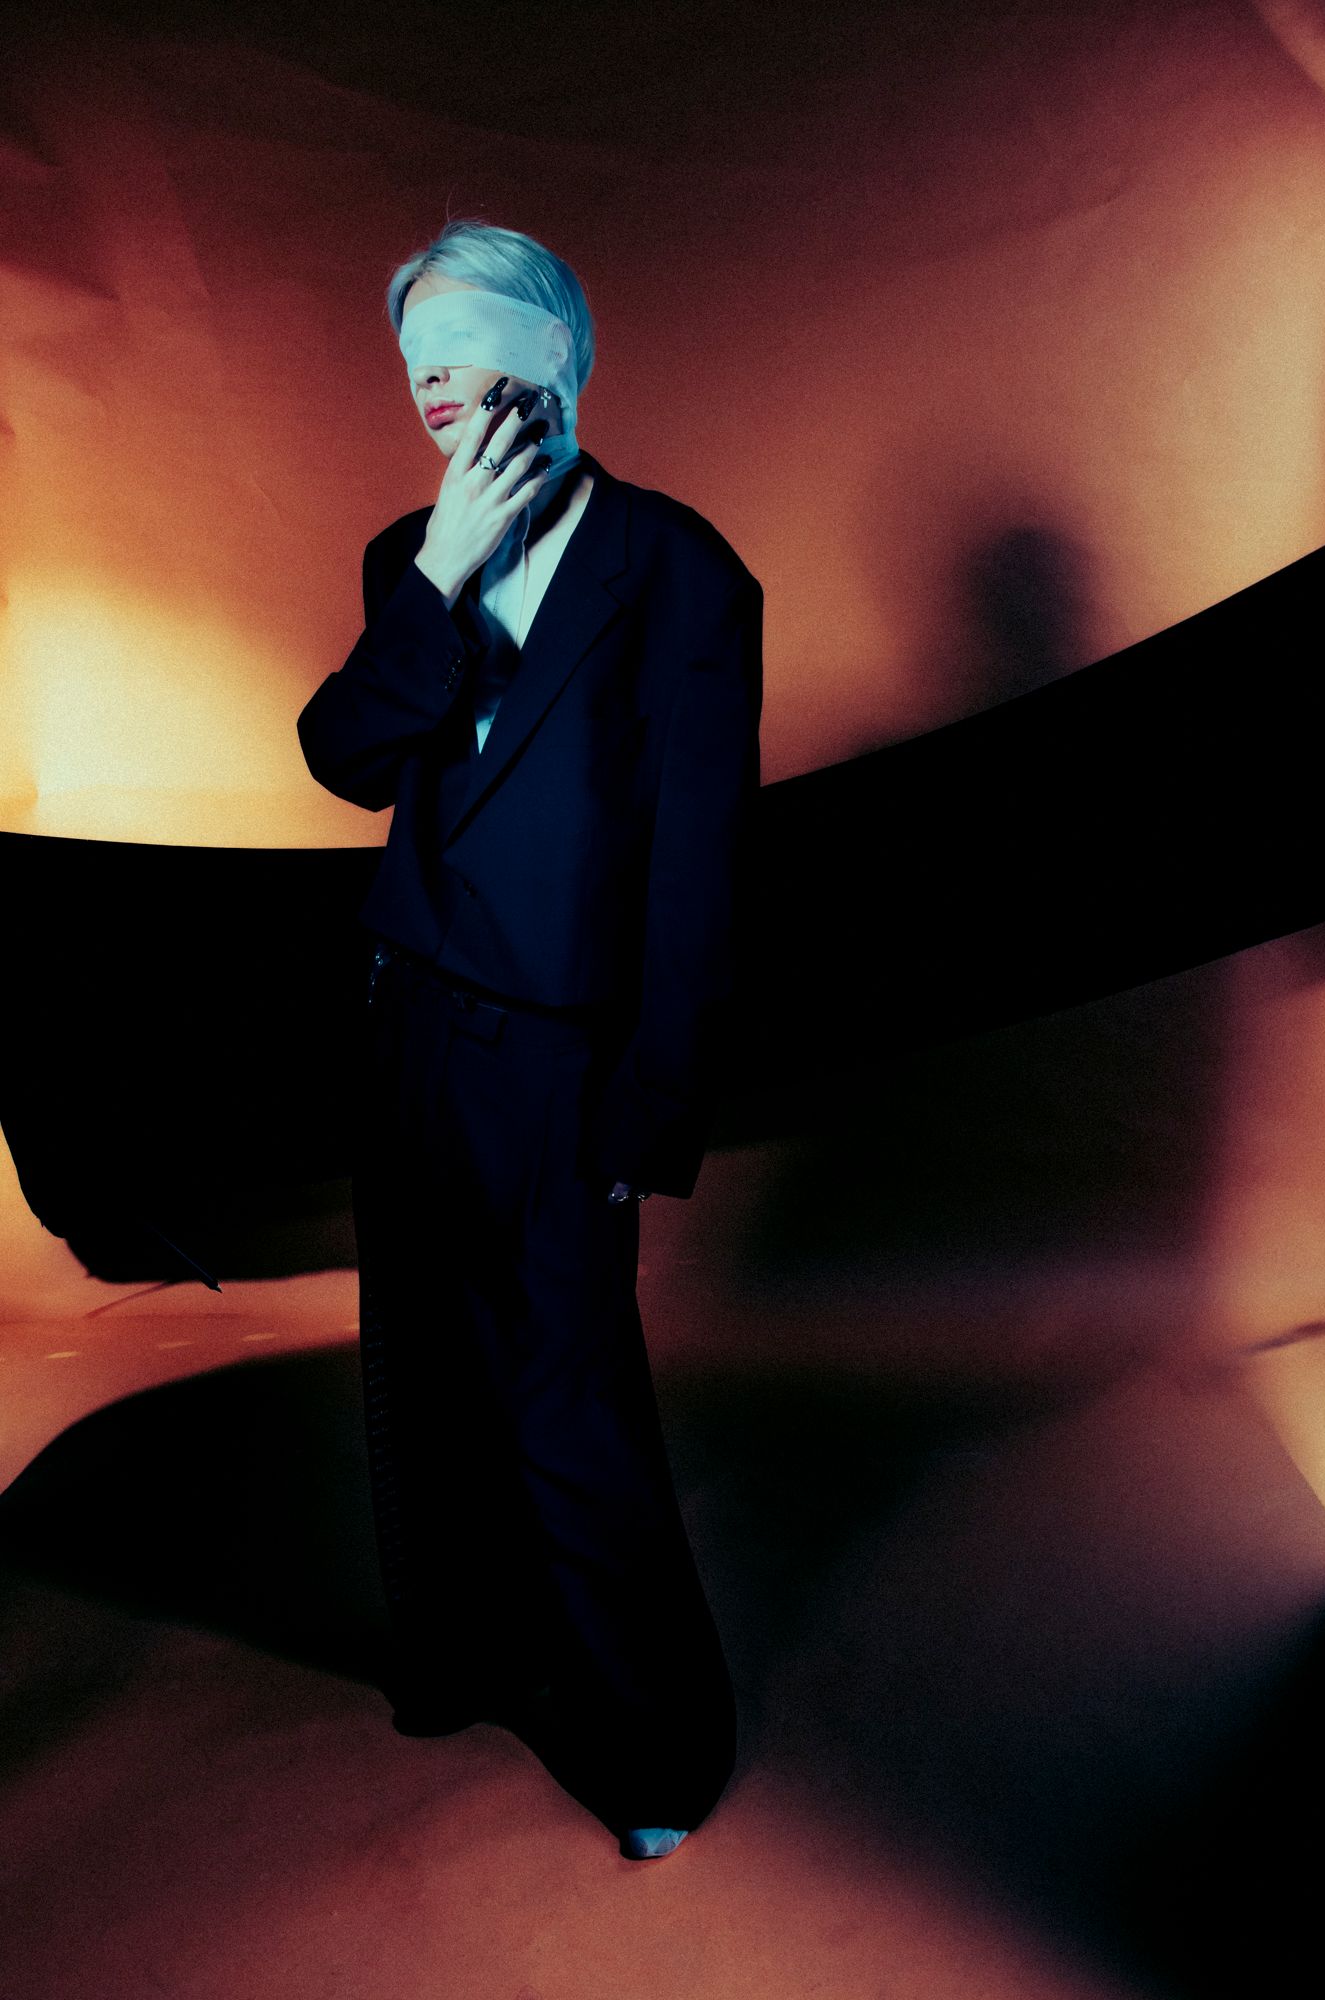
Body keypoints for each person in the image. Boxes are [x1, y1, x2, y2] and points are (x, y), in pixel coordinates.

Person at [296, 219, 763, 1862]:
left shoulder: (677, 566)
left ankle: (655, 1757)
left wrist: (651, 1108)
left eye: (464, 339)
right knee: (424, 1374)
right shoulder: (400, 552)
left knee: (567, 1402)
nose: (430, 377)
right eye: (411, 352)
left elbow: (700, 865)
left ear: (555, 348)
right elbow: (345, 759)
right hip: (404, 1029)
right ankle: (466, 1664)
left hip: (560, 1067)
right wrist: (438, 572)